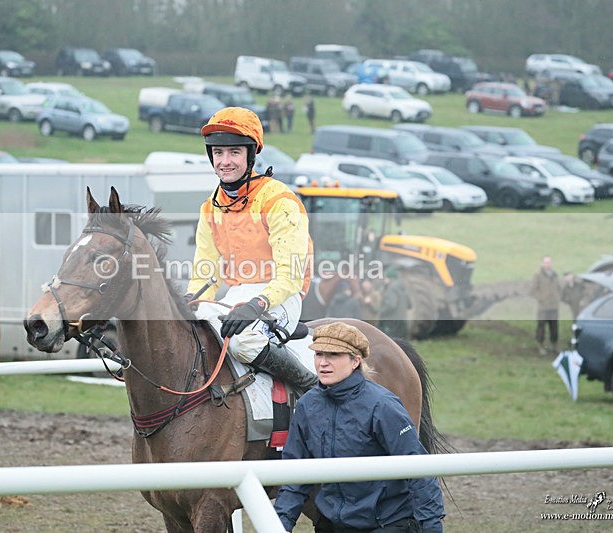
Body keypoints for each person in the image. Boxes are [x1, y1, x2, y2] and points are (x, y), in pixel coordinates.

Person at [187, 107, 317, 393]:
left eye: (234, 152)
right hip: (237, 296)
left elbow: (290, 277)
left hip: (281, 296)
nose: (225, 162)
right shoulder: (209, 208)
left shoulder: (280, 200)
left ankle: (312, 388)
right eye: (218, 153)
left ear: (250, 156)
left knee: (243, 340)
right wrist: (190, 301)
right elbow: (205, 273)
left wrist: (255, 305)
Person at [273, 322, 445, 533]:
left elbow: (419, 469)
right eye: (319, 354)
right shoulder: (307, 405)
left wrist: (431, 527)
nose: (323, 363)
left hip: (386, 525)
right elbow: (295, 475)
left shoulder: (383, 405)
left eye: (334, 355)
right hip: (332, 525)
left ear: (356, 361)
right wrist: (278, 526)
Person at [530, 256, 562, 355]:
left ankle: (554, 345)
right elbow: (534, 290)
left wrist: (558, 298)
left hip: (554, 306)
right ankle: (541, 346)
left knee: (554, 327)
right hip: (543, 307)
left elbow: (559, 288)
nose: (548, 264)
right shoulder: (538, 275)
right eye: (546, 262)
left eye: (549, 262)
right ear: (542, 264)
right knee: (541, 327)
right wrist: (541, 299)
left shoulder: (555, 275)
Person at [377, 267, 412, 339]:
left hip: (391, 323)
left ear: (389, 278)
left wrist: (381, 312)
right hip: (402, 321)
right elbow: (410, 305)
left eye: (385, 277)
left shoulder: (391, 288)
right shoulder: (403, 288)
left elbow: (391, 305)